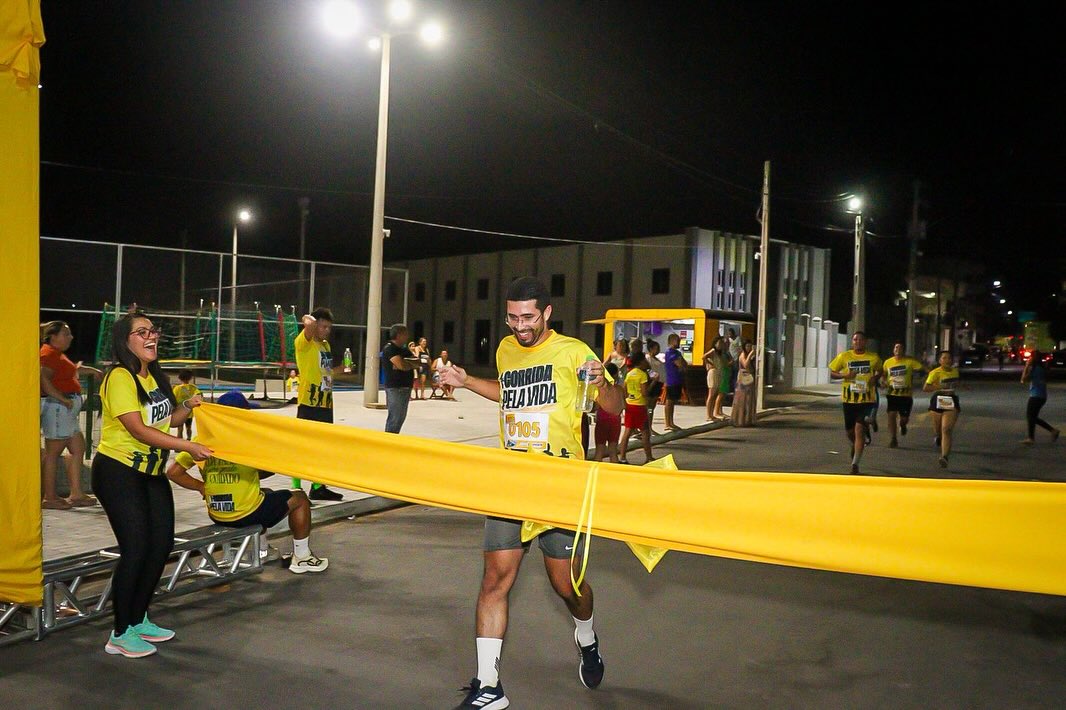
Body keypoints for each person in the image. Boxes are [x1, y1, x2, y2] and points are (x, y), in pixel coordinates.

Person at [438, 277, 623, 709]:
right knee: (494, 580)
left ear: (547, 314)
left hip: (560, 486)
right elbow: (509, 395)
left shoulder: (575, 351)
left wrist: (600, 382)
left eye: (527, 317)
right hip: (512, 482)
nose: (519, 325)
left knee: (568, 587)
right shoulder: (506, 349)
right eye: (512, 317)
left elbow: (613, 405)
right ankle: (488, 687)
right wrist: (466, 381)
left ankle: (586, 635)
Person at [92, 311, 211, 658]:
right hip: (118, 472)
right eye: (141, 331)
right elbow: (139, 430)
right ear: (125, 340)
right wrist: (189, 447)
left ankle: (139, 619)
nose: (151, 336)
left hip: (151, 473)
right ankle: (119, 632)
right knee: (136, 549)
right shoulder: (119, 377)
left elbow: (166, 420)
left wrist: (187, 406)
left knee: (160, 546)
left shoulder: (153, 377)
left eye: (153, 331)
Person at [165, 390, 328, 574]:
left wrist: (201, 486)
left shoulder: (201, 440)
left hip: (218, 512)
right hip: (247, 513)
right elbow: (267, 469)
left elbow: (173, 472)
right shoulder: (248, 442)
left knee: (264, 493)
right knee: (300, 499)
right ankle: (302, 557)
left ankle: (262, 550)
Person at [40, 320, 102, 509]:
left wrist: (90, 370)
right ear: (53, 336)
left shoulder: (56, 355)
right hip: (59, 408)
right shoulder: (48, 354)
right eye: (66, 334)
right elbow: (43, 380)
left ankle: (76, 493)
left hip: (65, 408)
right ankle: (49, 497)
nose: (70, 337)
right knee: (53, 452)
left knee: (77, 447)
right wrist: (62, 399)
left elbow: (69, 372)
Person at [290, 308, 344, 502]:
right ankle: (296, 489)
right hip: (308, 403)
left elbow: (326, 373)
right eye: (324, 326)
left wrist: (341, 369)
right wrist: (309, 320)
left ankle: (318, 486)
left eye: (329, 327)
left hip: (325, 403)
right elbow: (309, 324)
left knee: (322, 448)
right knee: (302, 447)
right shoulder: (304, 343)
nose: (327, 330)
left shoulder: (325, 345)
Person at [828, 332, 882, 474]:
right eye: (855, 339)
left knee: (859, 429)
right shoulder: (844, 356)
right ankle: (859, 441)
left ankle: (855, 464)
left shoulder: (873, 357)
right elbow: (832, 372)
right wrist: (844, 375)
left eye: (860, 340)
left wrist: (875, 378)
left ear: (865, 342)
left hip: (867, 400)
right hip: (849, 400)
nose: (857, 342)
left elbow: (880, 370)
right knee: (850, 432)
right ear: (852, 342)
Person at [881, 343, 925, 448]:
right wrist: (883, 381)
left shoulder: (909, 362)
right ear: (893, 350)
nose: (897, 349)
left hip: (906, 395)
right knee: (891, 415)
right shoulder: (888, 362)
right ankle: (893, 439)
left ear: (903, 350)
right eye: (896, 347)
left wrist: (925, 378)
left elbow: (923, 369)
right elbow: (884, 374)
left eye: (900, 348)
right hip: (892, 394)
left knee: (904, 418)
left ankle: (903, 424)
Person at [923, 351, 960, 468]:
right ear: (940, 361)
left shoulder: (955, 371)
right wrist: (939, 387)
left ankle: (944, 456)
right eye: (944, 358)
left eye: (949, 358)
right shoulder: (935, 373)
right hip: (938, 400)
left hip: (951, 400)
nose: (947, 360)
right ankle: (938, 436)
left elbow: (955, 384)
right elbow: (926, 388)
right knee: (938, 429)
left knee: (947, 429)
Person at [619, 351, 655, 464]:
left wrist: (627, 399)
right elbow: (645, 392)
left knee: (627, 431)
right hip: (640, 405)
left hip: (630, 405)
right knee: (645, 432)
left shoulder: (629, 374)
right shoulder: (642, 375)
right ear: (641, 362)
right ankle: (649, 457)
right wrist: (653, 382)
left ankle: (622, 457)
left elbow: (624, 389)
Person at [382, 324, 417, 433]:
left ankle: (394, 439)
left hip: (405, 386)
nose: (407, 337)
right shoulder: (390, 348)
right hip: (395, 388)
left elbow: (417, 362)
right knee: (395, 418)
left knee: (401, 417)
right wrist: (408, 364)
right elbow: (401, 365)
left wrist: (408, 364)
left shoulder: (404, 349)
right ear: (399, 335)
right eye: (405, 334)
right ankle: (389, 441)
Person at [1021, 351, 1059, 444]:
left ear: (1034, 358)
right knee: (1033, 417)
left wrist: (1026, 366)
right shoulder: (1040, 368)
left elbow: (1023, 380)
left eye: (1030, 357)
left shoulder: (1035, 369)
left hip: (1036, 396)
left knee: (1031, 416)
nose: (1029, 359)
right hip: (1041, 396)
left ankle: (1031, 438)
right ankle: (1052, 431)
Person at [593, 362, 624, 463]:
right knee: (613, 450)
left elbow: (596, 405)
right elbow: (623, 405)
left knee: (599, 451)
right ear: (615, 375)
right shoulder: (619, 389)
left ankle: (596, 474)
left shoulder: (600, 389)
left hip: (602, 420)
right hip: (615, 421)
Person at [662, 333, 686, 431]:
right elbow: (680, 364)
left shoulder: (677, 353)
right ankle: (667, 423)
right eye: (677, 341)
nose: (679, 342)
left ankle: (671, 422)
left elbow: (684, 363)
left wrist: (682, 364)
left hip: (678, 380)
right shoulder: (670, 352)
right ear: (672, 341)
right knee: (669, 401)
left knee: (673, 402)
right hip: (671, 380)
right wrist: (682, 364)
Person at [731, 339, 756, 427]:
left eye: (750, 346)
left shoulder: (752, 355)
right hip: (743, 378)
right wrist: (750, 355)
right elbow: (745, 364)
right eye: (747, 346)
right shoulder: (742, 355)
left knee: (749, 399)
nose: (748, 348)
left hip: (750, 378)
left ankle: (748, 420)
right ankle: (740, 420)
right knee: (742, 399)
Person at [702, 336, 728, 421]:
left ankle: (712, 414)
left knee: (714, 394)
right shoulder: (713, 351)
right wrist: (710, 364)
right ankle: (709, 415)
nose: (720, 345)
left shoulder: (720, 353)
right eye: (719, 343)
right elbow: (704, 356)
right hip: (713, 372)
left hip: (718, 373)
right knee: (711, 394)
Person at [644, 339, 666, 435]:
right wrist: (654, 377)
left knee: (651, 407)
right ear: (651, 349)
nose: (658, 350)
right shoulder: (647, 358)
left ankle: (649, 426)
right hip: (652, 383)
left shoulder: (657, 359)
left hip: (658, 383)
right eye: (656, 348)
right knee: (648, 406)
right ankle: (646, 427)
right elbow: (647, 370)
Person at [172, 369, 200, 441]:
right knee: (188, 427)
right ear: (190, 378)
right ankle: (189, 440)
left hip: (180, 412)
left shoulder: (177, 388)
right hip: (189, 412)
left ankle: (179, 445)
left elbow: (173, 399)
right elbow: (198, 395)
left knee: (180, 429)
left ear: (180, 378)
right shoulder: (193, 387)